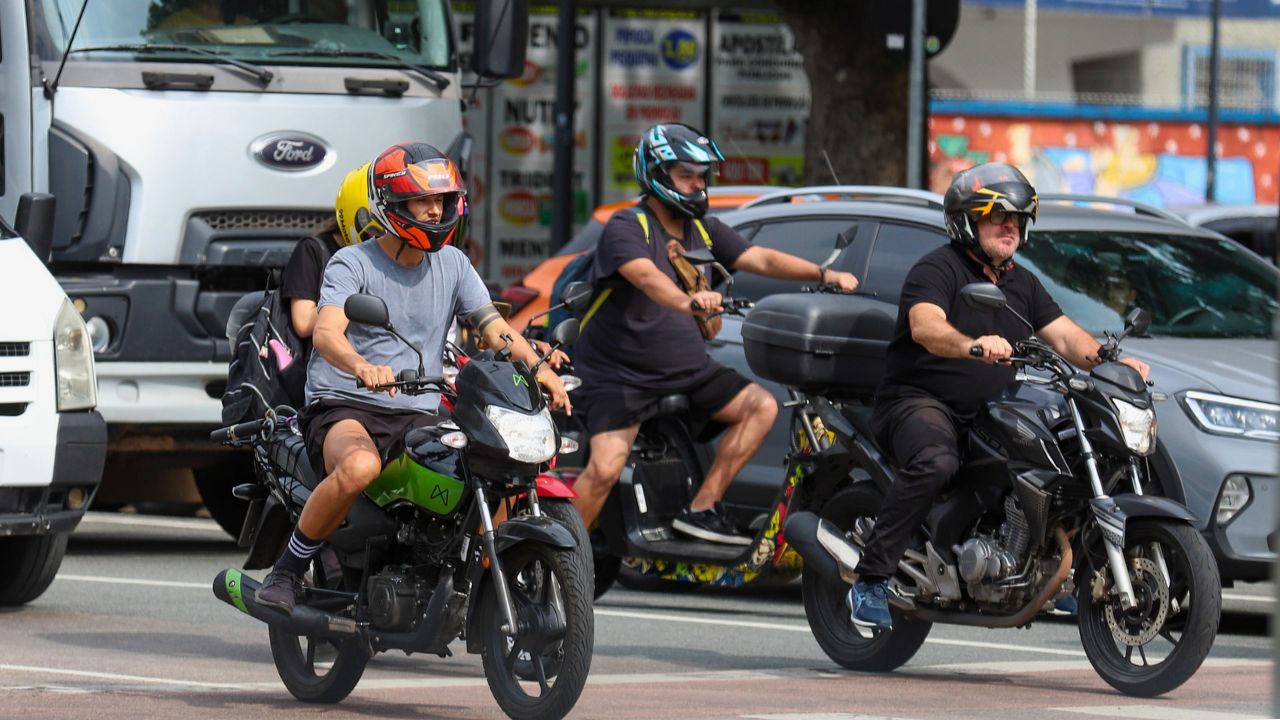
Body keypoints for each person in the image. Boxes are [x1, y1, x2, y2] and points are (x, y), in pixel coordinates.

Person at [256, 143, 570, 614]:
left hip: (421, 408)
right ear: (393, 206)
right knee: (359, 468)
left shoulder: (454, 265)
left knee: (487, 467)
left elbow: (493, 329)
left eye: (443, 201)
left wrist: (539, 370)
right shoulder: (352, 262)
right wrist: (360, 366)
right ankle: (287, 570)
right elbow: (324, 332)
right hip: (348, 403)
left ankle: (461, 576)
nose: (436, 211)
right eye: (423, 201)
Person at [848, 162, 1150, 631]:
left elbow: (1067, 338)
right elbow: (925, 327)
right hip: (920, 401)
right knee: (936, 462)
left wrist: (1112, 364)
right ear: (967, 221)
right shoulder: (937, 269)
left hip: (990, 410)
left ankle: (1043, 570)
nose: (1010, 226)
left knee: (1057, 459)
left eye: (1017, 219)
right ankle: (870, 578)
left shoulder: (1021, 282)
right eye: (997, 217)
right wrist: (972, 344)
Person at [569, 123, 859, 545]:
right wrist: (689, 302)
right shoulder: (628, 227)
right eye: (687, 175)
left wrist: (824, 273)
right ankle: (556, 555)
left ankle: (701, 509)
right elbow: (647, 278)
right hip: (622, 377)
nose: (697, 185)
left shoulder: (701, 229)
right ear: (657, 173)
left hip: (688, 372)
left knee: (761, 406)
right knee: (605, 469)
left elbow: (758, 256)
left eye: (702, 176)